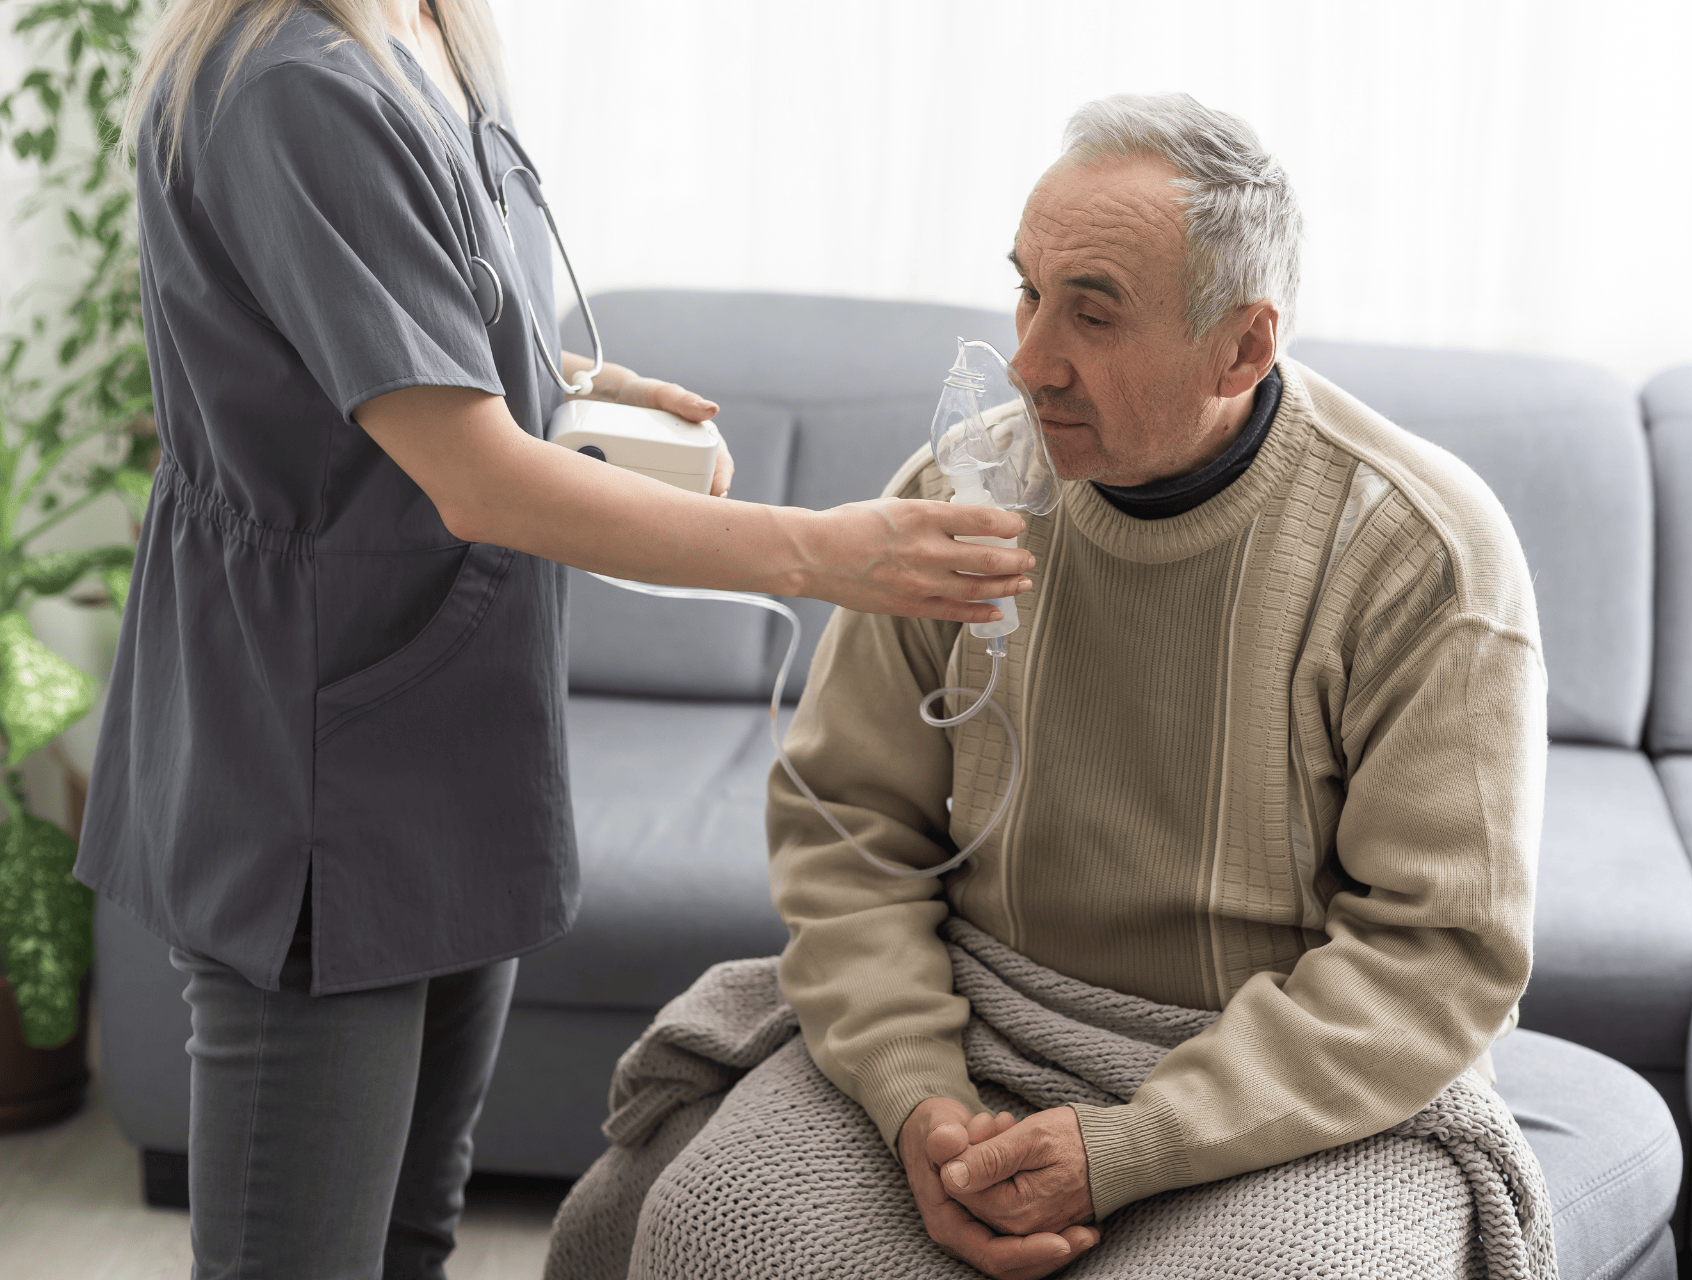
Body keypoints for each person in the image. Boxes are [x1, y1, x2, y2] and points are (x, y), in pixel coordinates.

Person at [73, 2, 1034, 1277]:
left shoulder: (432, 40)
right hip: (320, 749)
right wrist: (826, 553)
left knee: (414, 1233)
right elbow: (476, 479)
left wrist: (559, 377)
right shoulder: (292, 86)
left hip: (460, 723)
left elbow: (394, 323)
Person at [561, 92, 1545, 1279]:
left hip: (1284, 1075)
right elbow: (851, 837)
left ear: (1242, 344)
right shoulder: (956, 495)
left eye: (1093, 313)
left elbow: (1435, 954)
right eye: (1027, 290)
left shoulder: (1419, 556)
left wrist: (1134, 1143)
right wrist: (918, 1095)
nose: (1027, 364)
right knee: (716, 1230)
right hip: (980, 1009)